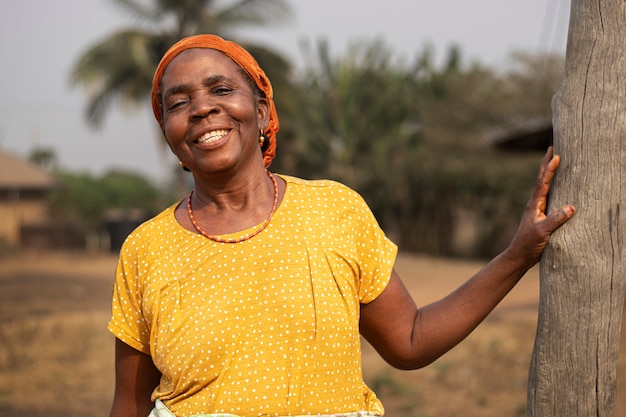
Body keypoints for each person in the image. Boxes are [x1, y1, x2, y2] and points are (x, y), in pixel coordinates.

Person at [108, 34, 575, 417]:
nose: (202, 108)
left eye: (222, 90)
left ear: (265, 112)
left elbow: (409, 341)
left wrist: (516, 255)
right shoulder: (146, 248)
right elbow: (129, 405)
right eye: (178, 103)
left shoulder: (334, 210)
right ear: (168, 131)